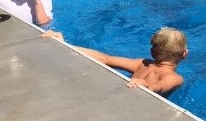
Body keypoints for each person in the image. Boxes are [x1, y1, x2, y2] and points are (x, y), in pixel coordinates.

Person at [42, 27, 187, 97]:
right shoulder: (175, 78)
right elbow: (160, 87)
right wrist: (147, 86)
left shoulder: (142, 64)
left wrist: (66, 44)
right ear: (184, 54)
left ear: (152, 52)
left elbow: (105, 59)